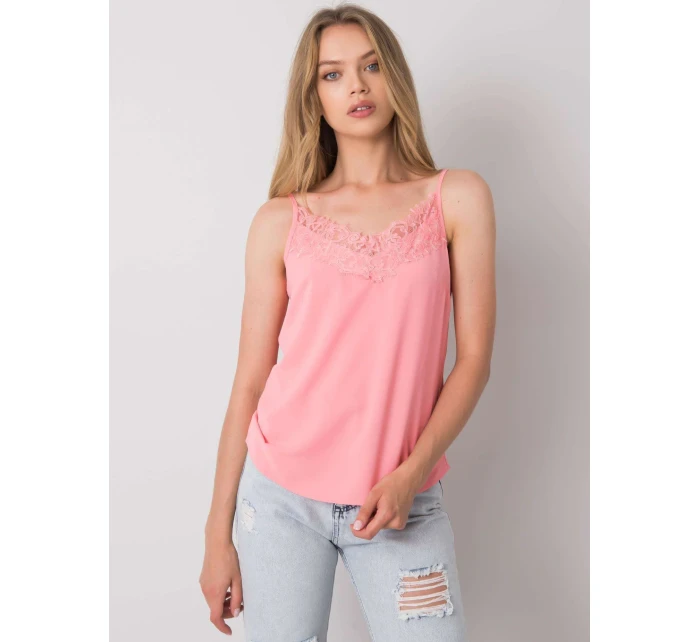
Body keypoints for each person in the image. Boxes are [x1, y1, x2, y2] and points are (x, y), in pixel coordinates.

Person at [199, 3, 496, 640]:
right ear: (314, 98)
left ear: (395, 76)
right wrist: (216, 536)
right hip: (280, 501)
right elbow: (250, 383)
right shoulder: (279, 221)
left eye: (371, 66)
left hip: (404, 501)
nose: (356, 86)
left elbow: (473, 360)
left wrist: (411, 474)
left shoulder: (457, 199)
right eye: (332, 74)